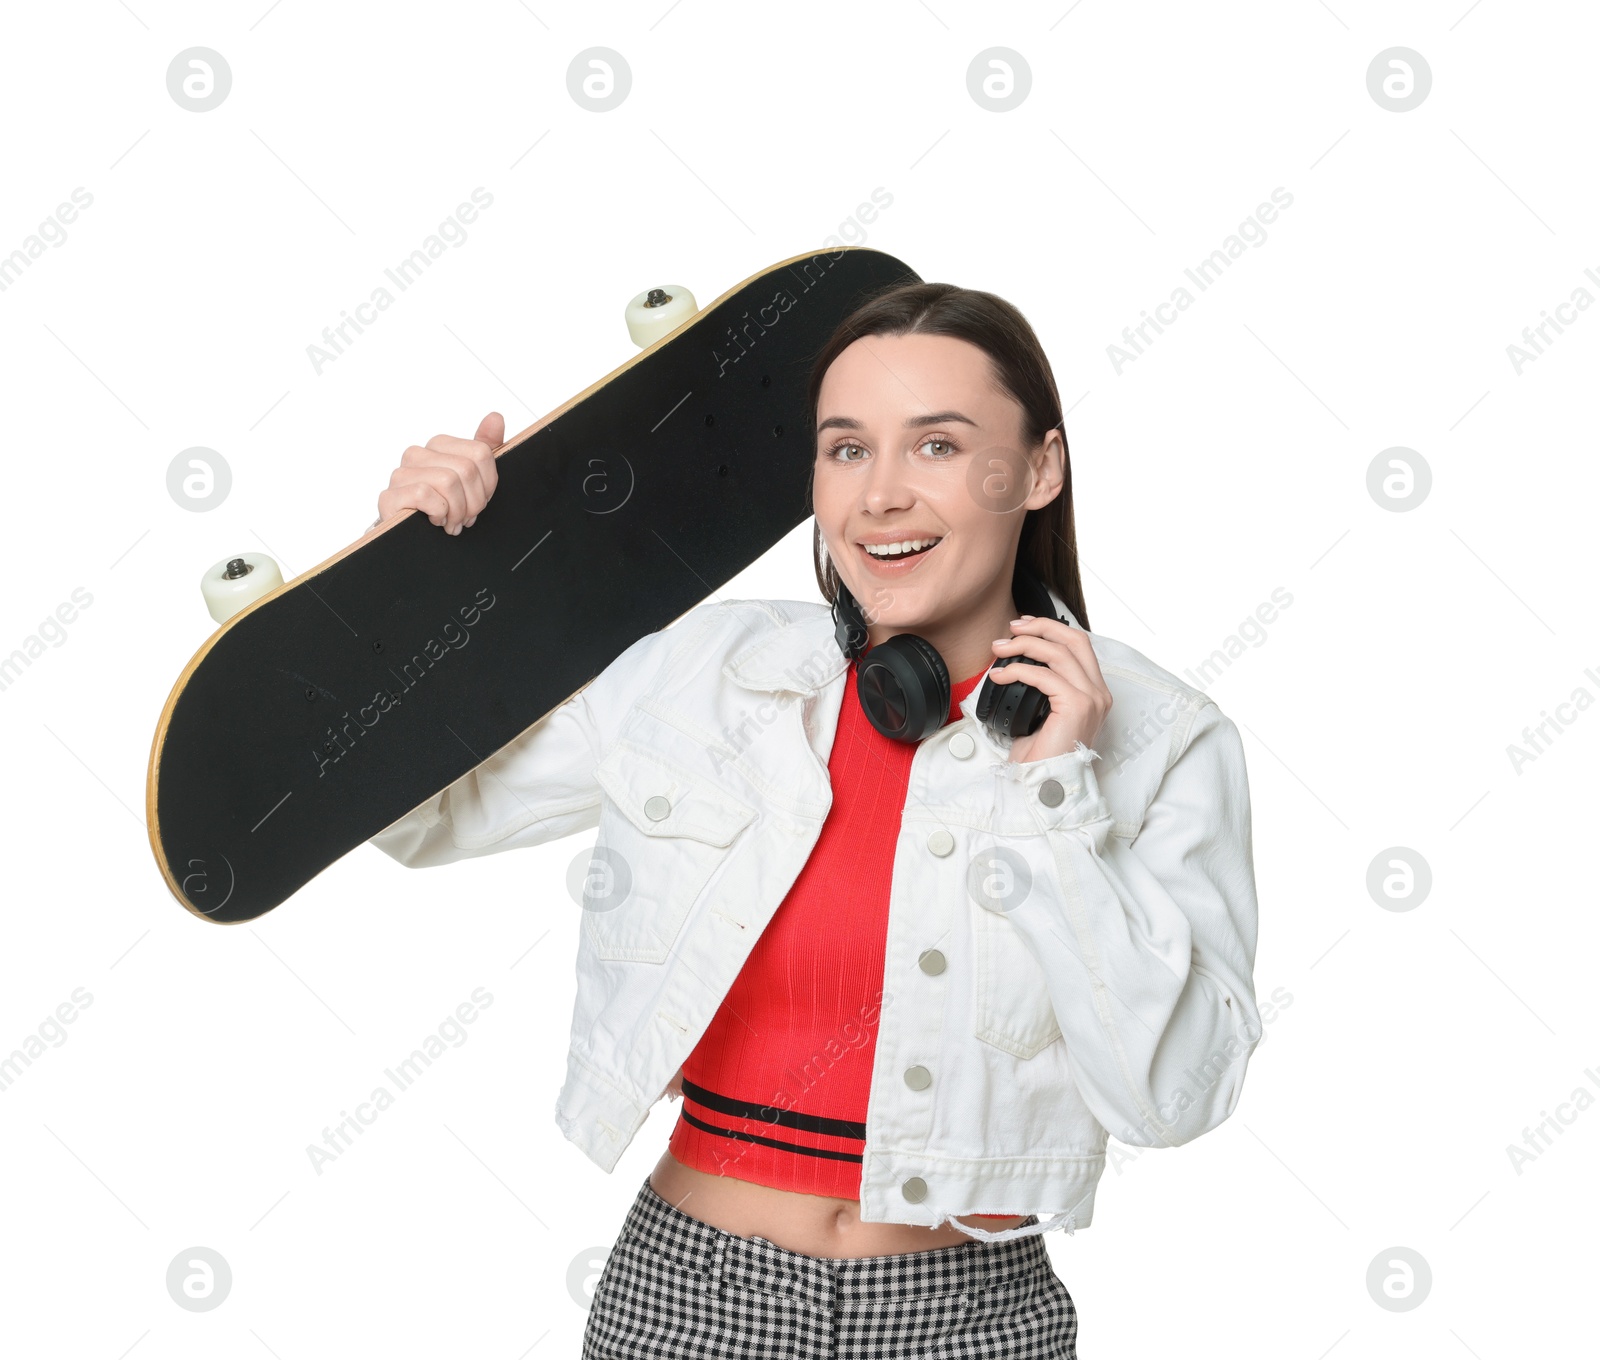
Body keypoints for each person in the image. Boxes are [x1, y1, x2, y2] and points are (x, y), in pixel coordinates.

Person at [365, 282, 1262, 1357]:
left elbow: (1174, 1098)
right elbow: (427, 817)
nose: (880, 493)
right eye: (846, 449)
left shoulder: (1164, 740)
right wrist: (405, 581)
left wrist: (1054, 793)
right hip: (688, 1300)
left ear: (1039, 467)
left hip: (966, 1318)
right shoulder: (703, 673)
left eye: (936, 446)